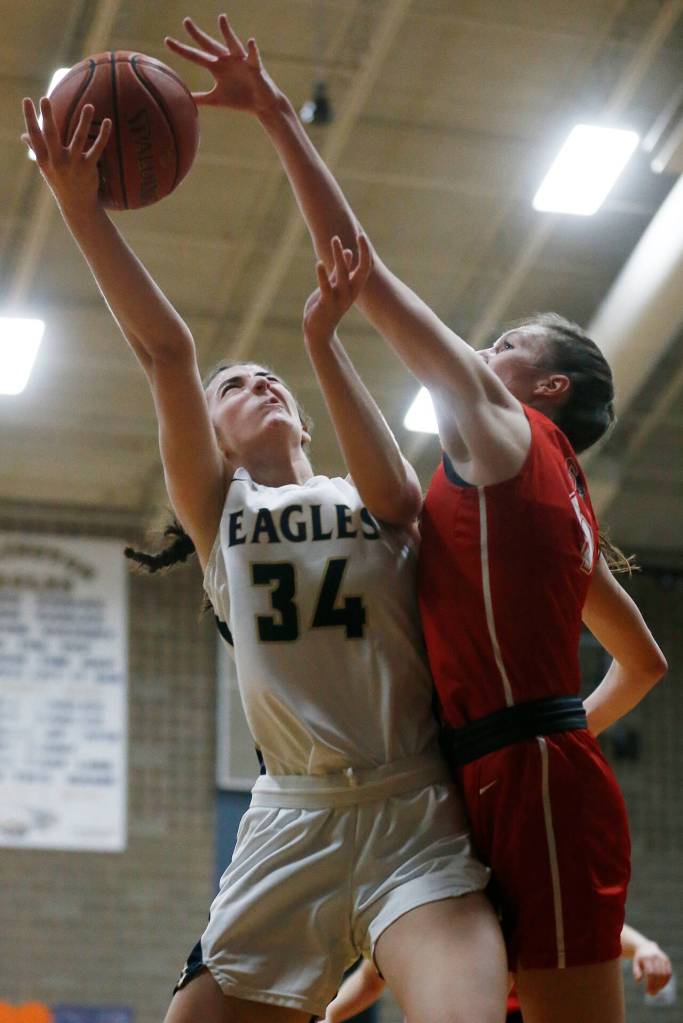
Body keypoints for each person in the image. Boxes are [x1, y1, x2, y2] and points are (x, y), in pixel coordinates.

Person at [165, 15, 668, 1023]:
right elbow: (645, 659)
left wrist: (272, 112)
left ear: (545, 384)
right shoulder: (510, 494)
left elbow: (359, 261)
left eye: (506, 338)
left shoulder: (498, 429)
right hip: (478, 772)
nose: (483, 344)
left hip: (510, 766)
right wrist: (544, 737)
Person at [22, 97, 508, 1023]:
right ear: (210, 439)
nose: (259, 381)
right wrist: (83, 214)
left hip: (414, 806)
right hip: (291, 819)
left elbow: (402, 502)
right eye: (234, 386)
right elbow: (167, 351)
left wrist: (322, 341)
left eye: (270, 376)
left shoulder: (360, 490)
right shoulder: (219, 511)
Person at [325, 921, 674, 1020]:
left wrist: (644, 946)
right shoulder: (430, 913)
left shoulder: (516, 895)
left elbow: (584, 923)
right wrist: (330, 1017)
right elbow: (372, 979)